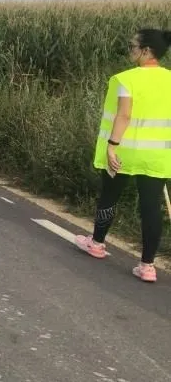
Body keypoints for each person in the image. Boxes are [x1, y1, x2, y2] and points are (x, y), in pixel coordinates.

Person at [75, 29, 171, 283]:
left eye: (133, 46)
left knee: (110, 196)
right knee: (151, 208)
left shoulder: (126, 79)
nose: (130, 50)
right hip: (157, 155)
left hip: (123, 152)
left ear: (146, 51)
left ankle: (96, 243)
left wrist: (111, 146)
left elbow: (124, 115)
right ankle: (148, 266)